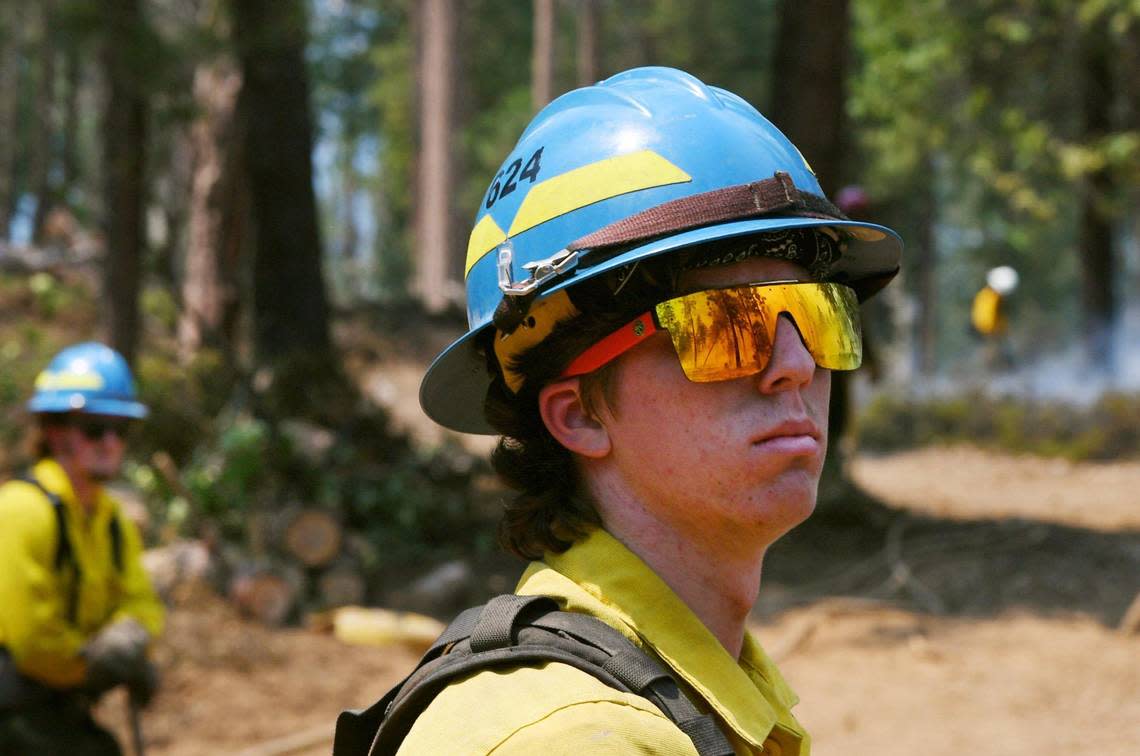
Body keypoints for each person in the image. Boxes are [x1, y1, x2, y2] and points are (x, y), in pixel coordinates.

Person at [374, 67, 901, 754]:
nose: (797, 365)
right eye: (728, 327)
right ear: (579, 415)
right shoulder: (570, 739)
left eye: (817, 317)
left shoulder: (680, 692)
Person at [0, 342, 165, 756]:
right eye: (95, 428)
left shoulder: (111, 522)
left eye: (120, 429)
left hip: (54, 706)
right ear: (55, 432)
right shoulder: (21, 510)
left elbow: (142, 603)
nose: (110, 442)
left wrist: (130, 639)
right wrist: (94, 666)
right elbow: (32, 640)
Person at [971, 265, 1019, 370]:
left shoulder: (989, 296)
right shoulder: (989, 298)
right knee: (994, 359)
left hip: (990, 333)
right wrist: (995, 333)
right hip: (988, 333)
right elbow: (984, 320)